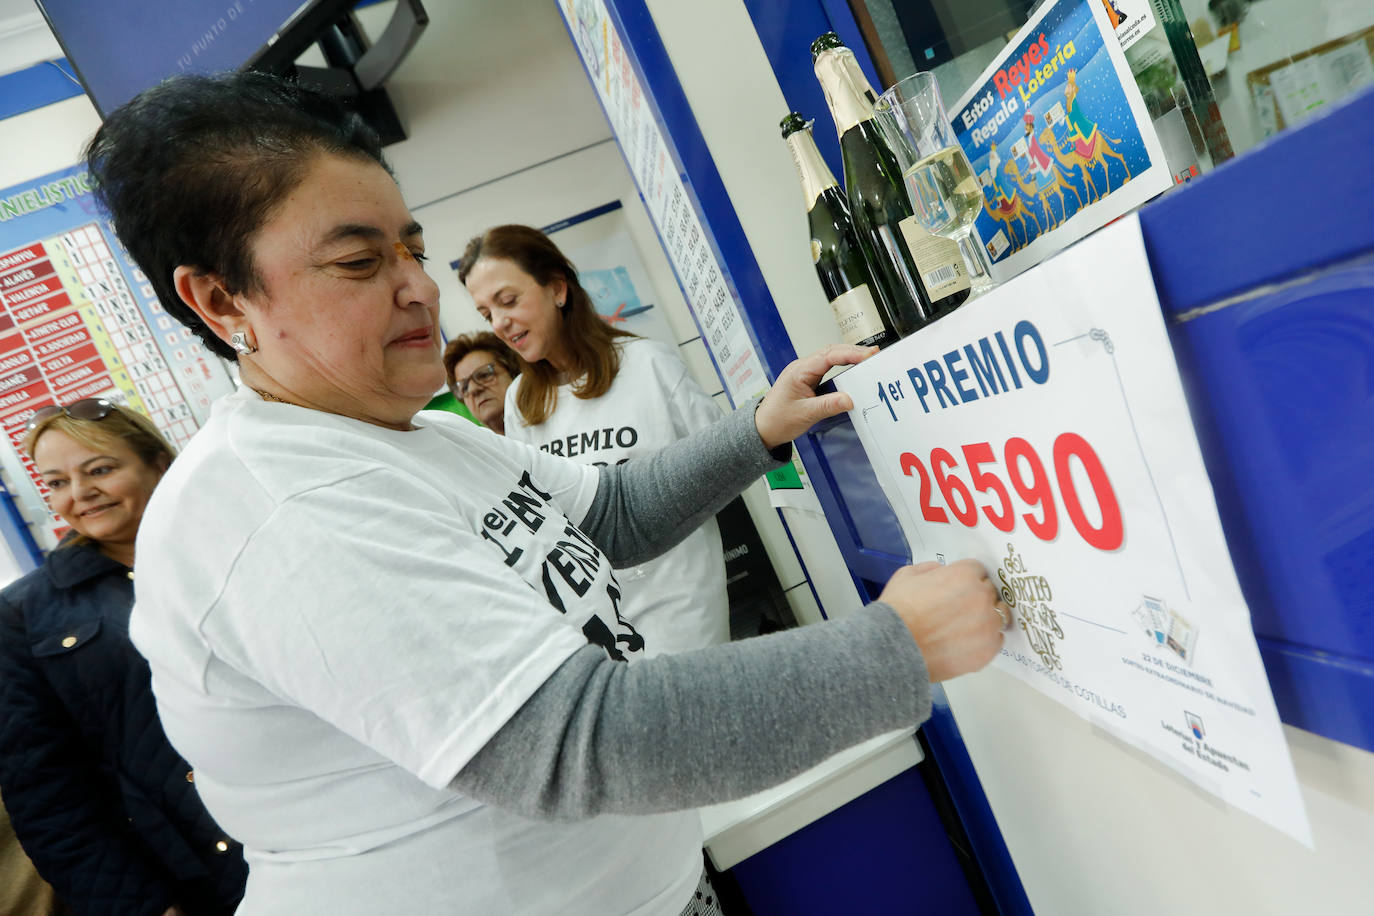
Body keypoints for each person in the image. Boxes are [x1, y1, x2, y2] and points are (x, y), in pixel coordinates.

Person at [88, 71, 1008, 915]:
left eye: (411, 248)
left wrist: (757, 430)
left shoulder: (427, 435)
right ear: (222, 303)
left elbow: (607, 517)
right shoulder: (277, 504)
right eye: (360, 263)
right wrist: (898, 647)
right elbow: (575, 744)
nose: (417, 289)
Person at [0, 399, 247, 916]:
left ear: (158, 462)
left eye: (100, 470)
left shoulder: (242, 548)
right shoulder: (24, 615)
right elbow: (47, 795)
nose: (79, 493)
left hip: (330, 824)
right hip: (199, 878)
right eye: (57, 482)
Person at [461, 225, 730, 654]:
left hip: (678, 600)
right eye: (486, 313)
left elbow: (721, 466)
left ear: (557, 288)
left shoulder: (648, 364)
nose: (500, 322)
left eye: (508, 301)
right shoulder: (521, 402)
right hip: (595, 622)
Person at [442, 330, 520, 434]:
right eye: (464, 387)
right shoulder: (474, 448)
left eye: (484, 375)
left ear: (512, 372)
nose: (473, 389)